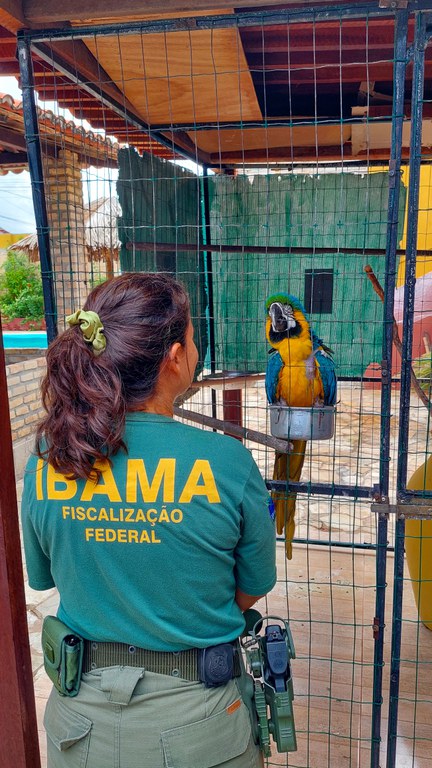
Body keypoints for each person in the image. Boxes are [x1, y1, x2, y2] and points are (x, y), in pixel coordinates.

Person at [21, 272, 277, 768]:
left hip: (80, 729)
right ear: (174, 357)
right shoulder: (225, 463)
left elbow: (45, 576)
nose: (195, 349)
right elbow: (251, 588)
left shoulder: (50, 458)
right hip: (200, 728)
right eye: (192, 337)